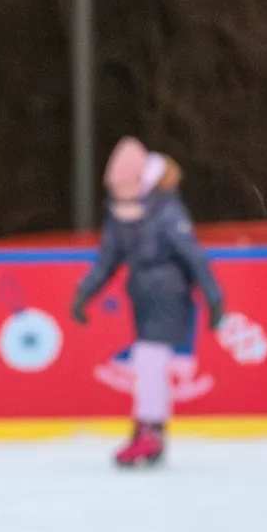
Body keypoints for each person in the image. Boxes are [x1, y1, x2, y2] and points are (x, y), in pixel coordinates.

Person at [70, 138, 224, 467]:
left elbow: (193, 255)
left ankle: (150, 432)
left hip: (169, 292)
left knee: (150, 359)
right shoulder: (119, 212)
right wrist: (85, 292)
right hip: (140, 292)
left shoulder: (166, 211)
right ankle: (149, 430)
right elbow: (108, 259)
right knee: (146, 360)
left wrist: (213, 297)